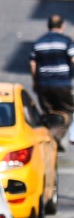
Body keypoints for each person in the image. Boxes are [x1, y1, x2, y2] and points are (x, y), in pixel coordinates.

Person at [29, 14, 74, 148]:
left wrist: (36, 82)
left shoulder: (39, 42)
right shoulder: (66, 41)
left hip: (43, 84)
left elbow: (33, 64)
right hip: (62, 84)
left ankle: (47, 139)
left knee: (49, 112)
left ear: (48, 26)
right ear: (62, 26)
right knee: (67, 110)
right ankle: (55, 137)